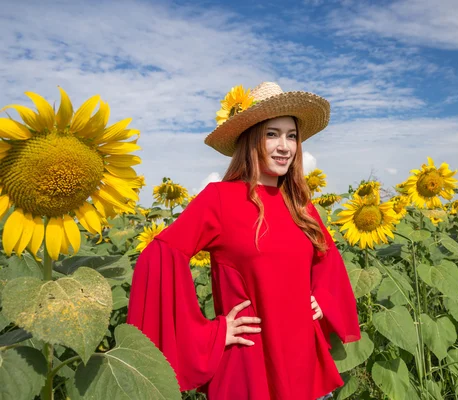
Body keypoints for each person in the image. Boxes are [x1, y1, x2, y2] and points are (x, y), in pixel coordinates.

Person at [127, 82, 361, 399]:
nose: (285, 146)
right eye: (272, 134)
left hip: (307, 373)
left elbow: (327, 262)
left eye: (291, 135)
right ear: (251, 138)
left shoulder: (300, 205)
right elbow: (160, 255)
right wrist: (211, 332)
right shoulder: (220, 200)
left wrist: (322, 298)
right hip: (250, 370)